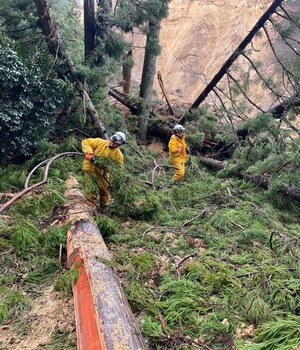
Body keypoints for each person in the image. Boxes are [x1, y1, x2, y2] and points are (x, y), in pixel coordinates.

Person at [82, 132, 126, 207]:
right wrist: (90, 154)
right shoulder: (100, 142)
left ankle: (103, 206)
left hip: (102, 172)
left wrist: (105, 168)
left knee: (104, 190)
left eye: (115, 143)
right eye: (112, 141)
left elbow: (117, 170)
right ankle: (90, 203)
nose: (112, 143)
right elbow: (86, 142)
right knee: (91, 186)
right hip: (90, 168)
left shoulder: (118, 156)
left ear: (119, 144)